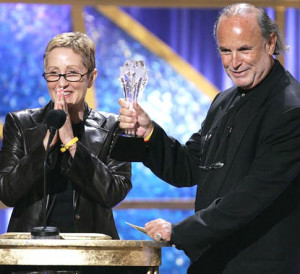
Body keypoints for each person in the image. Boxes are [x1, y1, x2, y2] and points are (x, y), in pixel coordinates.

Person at [118, 3, 300, 274]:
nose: (233, 62)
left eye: (244, 49)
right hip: (211, 263)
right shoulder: (224, 101)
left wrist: (181, 231)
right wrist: (149, 134)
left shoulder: (290, 110)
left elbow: (252, 196)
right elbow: (190, 167)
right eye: (225, 51)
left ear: (271, 43)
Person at [0, 32, 132, 238]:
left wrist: (73, 144)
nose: (61, 83)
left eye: (72, 73)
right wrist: (44, 148)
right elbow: (6, 193)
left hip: (91, 257)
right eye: (53, 73)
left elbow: (113, 192)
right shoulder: (20, 124)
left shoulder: (114, 127)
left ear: (91, 77)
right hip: (32, 258)